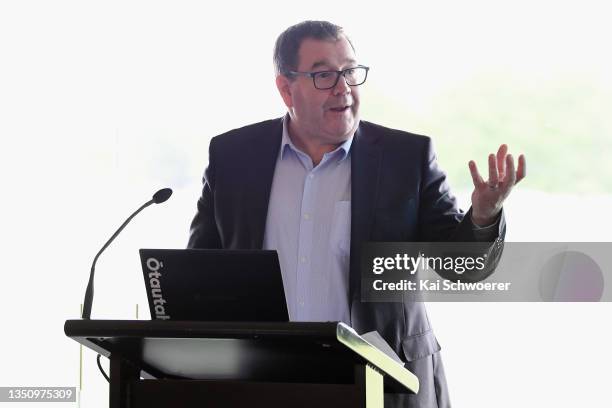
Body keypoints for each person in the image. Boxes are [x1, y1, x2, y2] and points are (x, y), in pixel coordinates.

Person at [188, 20, 526, 408]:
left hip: (383, 383)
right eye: (324, 75)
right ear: (286, 88)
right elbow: (201, 274)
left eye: (349, 71)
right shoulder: (233, 156)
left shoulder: (405, 158)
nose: (343, 87)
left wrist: (483, 216)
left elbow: (462, 265)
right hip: (264, 384)